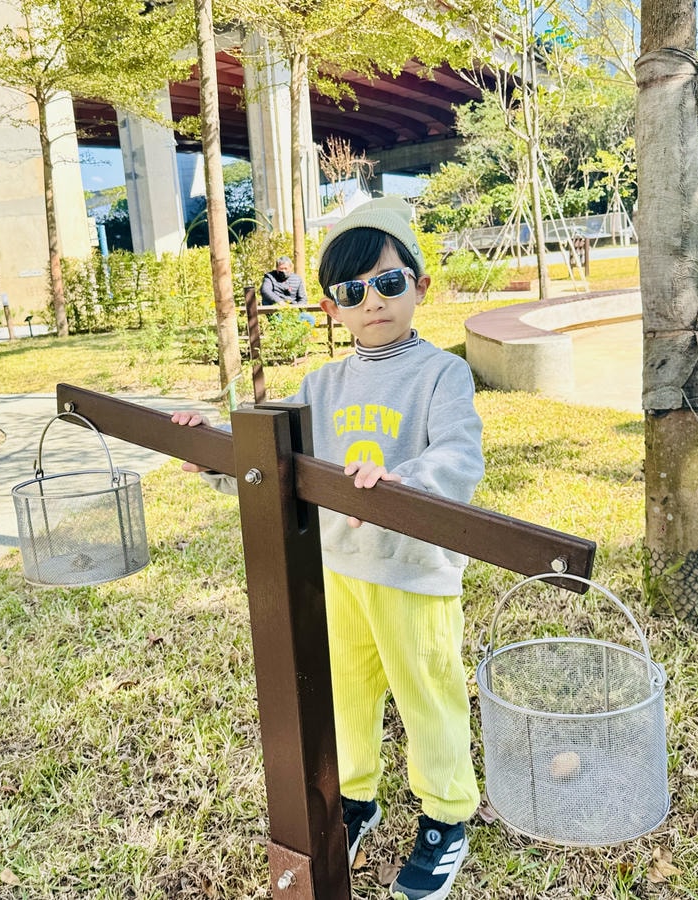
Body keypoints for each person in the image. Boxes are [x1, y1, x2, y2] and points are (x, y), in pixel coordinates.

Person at [173, 196, 482, 900]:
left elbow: (459, 459)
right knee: (347, 694)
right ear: (330, 308)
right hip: (338, 571)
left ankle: (446, 818)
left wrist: (400, 484)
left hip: (415, 573)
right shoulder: (323, 384)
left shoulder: (442, 374)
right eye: (351, 291)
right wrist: (214, 453)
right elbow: (275, 467)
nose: (371, 301)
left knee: (428, 694)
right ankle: (357, 797)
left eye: (388, 282)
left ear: (420, 286)